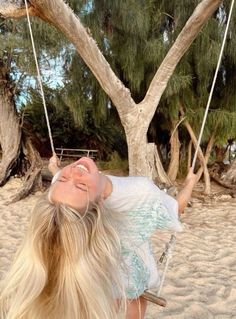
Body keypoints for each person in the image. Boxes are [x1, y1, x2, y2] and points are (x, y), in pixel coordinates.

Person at [0, 154, 197, 319]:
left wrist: (55, 169)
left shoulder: (60, 193)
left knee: (108, 297)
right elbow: (176, 209)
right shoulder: (140, 193)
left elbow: (60, 178)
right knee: (134, 298)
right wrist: (190, 183)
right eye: (81, 186)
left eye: (63, 179)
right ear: (100, 206)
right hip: (125, 267)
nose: (74, 171)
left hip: (102, 270)